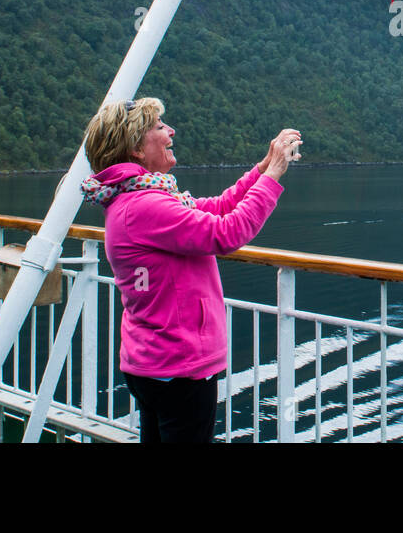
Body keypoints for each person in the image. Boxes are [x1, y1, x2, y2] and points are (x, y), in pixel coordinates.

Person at [79, 96, 300, 443]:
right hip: (178, 365)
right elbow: (226, 232)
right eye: (158, 127)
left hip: (154, 362)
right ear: (136, 149)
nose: (171, 131)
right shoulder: (144, 205)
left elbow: (216, 208)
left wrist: (260, 169)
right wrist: (273, 177)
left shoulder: (136, 197)